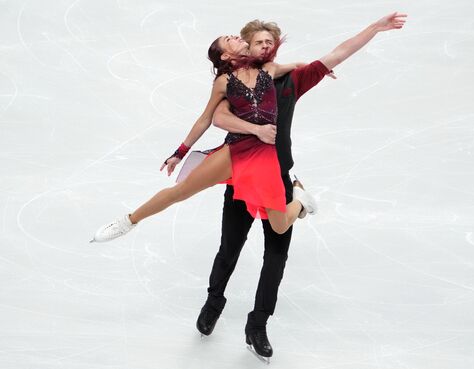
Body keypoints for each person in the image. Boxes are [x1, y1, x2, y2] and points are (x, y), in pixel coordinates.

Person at [195, 13, 407, 361]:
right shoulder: (232, 81)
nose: (265, 45)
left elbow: (338, 53)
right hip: (242, 176)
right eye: (258, 41)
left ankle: (258, 325)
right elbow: (216, 117)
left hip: (277, 177)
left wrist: (373, 28)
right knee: (229, 248)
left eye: (269, 41)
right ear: (246, 46)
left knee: (275, 256)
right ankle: (214, 301)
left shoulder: (292, 79)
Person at [91, 31, 321, 244]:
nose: (237, 37)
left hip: (263, 156)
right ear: (225, 55)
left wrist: (310, 68)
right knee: (180, 191)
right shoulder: (224, 82)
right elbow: (205, 119)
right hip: (237, 151)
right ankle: (129, 221)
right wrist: (179, 153)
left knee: (279, 226)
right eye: (230, 39)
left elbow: (287, 68)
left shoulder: (264, 69)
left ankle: (300, 200)